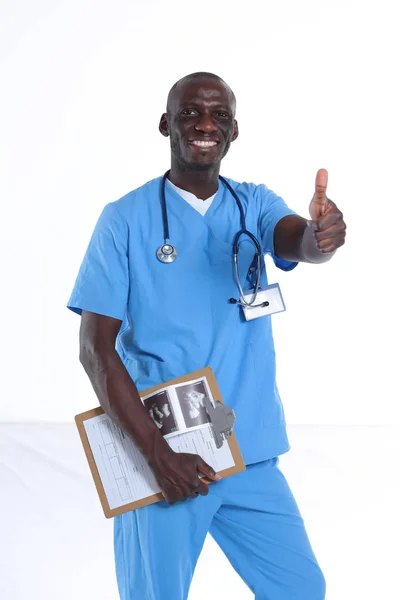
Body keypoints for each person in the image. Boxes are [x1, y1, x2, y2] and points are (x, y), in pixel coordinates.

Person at [67, 72, 346, 600]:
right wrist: (157, 454)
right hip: (166, 454)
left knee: (301, 588)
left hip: (250, 449)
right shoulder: (123, 221)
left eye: (219, 115)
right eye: (191, 112)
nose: (204, 124)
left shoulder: (253, 205)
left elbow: (299, 241)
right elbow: (94, 348)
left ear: (234, 131)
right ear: (166, 124)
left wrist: (321, 236)